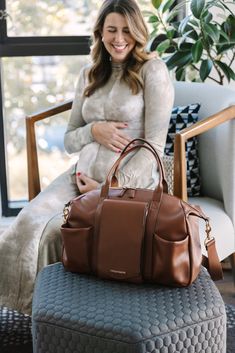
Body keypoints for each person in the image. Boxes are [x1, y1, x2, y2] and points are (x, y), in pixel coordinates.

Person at [0, 0, 174, 315]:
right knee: (26, 222)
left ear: (137, 32)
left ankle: (60, 313)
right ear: (100, 33)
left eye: (126, 30)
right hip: (78, 175)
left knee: (56, 232)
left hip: (128, 185)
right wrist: (94, 131)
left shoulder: (153, 70)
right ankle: (29, 310)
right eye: (111, 30)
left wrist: (108, 187)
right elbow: (68, 140)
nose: (119, 38)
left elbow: (154, 146)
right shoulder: (89, 73)